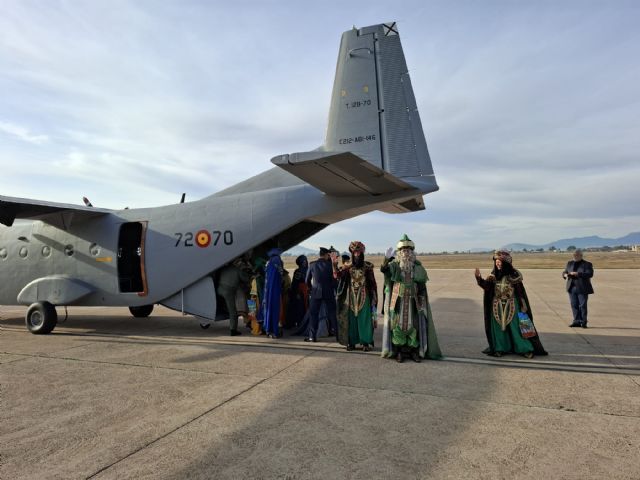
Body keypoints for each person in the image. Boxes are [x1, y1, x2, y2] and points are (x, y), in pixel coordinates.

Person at [381, 234, 442, 362]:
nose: (406, 253)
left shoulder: (417, 267)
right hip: (398, 302)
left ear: (412, 253)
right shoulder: (395, 266)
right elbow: (385, 271)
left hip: (413, 303)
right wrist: (386, 259)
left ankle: (414, 352)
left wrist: (422, 301)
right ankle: (399, 352)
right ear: (399, 253)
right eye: (403, 251)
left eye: (408, 251)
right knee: (398, 327)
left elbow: (421, 286)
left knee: (413, 326)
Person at [475, 250, 547, 358]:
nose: (497, 263)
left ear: (506, 263)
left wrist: (523, 304)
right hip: (496, 306)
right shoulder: (493, 275)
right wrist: (479, 279)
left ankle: (524, 349)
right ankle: (500, 348)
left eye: (499, 261)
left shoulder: (514, 275)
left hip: (513, 304)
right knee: (499, 329)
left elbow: (520, 291)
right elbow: (488, 287)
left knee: (518, 328)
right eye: (496, 261)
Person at [333, 241, 377, 352]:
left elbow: (372, 283)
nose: (356, 254)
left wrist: (374, 296)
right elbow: (337, 276)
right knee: (351, 320)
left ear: (362, 253)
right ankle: (351, 342)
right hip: (351, 296)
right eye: (354, 252)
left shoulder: (367, 267)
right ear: (352, 253)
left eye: (358, 252)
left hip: (364, 296)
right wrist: (333, 265)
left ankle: (365, 342)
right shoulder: (347, 266)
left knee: (365, 319)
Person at [305, 247, 337, 342]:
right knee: (333, 314)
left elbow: (307, 280)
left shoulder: (312, 265)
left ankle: (312, 336)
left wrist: (311, 289)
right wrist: (335, 290)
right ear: (326, 255)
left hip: (316, 293)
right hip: (329, 293)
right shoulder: (330, 265)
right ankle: (338, 336)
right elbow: (334, 280)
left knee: (314, 315)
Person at [218, 257, 252, 336]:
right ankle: (233, 330)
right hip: (228, 292)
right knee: (233, 311)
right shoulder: (237, 270)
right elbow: (246, 279)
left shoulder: (224, 268)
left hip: (219, 290)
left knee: (226, 304)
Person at [562, 249, 594, 328]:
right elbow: (564, 272)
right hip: (571, 288)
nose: (575, 256)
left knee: (582, 306)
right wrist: (565, 275)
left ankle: (583, 322)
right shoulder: (570, 263)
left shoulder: (587, 264)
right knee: (574, 305)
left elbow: (590, 274)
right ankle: (576, 321)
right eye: (574, 255)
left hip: (582, 288)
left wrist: (578, 274)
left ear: (581, 255)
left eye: (576, 255)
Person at [262, 248, 284, 338]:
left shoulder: (268, 263)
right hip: (274, 291)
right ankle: (274, 331)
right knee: (275, 310)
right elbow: (281, 274)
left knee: (268, 310)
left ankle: (268, 330)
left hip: (267, 291)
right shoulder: (277, 261)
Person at [285, 255, 309, 329]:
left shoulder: (308, 269)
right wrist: (297, 293)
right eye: (303, 261)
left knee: (305, 307)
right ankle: (299, 323)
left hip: (306, 291)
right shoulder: (298, 271)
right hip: (299, 291)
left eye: (305, 261)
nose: (305, 263)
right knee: (299, 308)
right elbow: (295, 283)